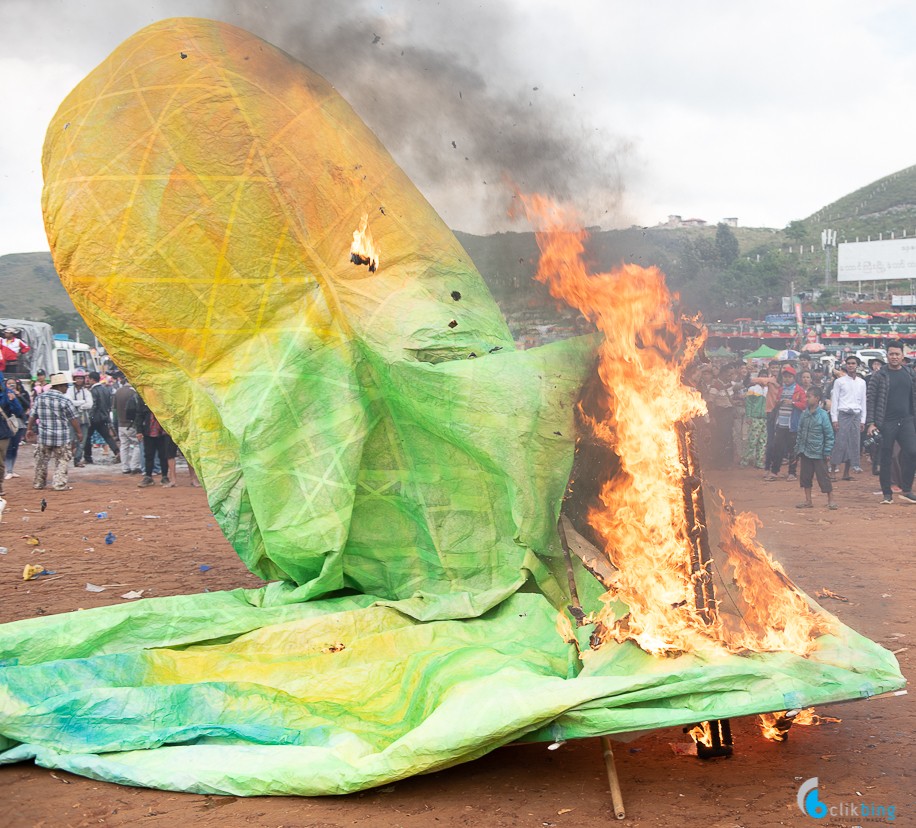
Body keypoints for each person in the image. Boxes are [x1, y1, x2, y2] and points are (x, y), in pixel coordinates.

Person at [865, 340, 916, 505]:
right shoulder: (879, 375)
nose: (894, 357)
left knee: (912, 452)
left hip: (907, 420)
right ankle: (887, 493)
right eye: (891, 354)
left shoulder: (909, 373)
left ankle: (907, 489)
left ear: (902, 355)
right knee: (886, 457)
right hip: (886, 422)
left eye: (897, 354)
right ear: (887, 355)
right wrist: (871, 423)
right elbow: (871, 400)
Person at [25, 372, 83, 491]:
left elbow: (33, 415)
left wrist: (29, 429)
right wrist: (79, 432)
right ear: (60, 386)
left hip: (44, 435)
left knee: (41, 460)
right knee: (62, 460)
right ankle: (59, 484)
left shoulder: (40, 398)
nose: (67, 388)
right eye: (66, 385)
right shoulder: (65, 400)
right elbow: (73, 418)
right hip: (61, 436)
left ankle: (39, 483)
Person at [794, 386, 836, 509]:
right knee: (805, 477)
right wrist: (798, 449)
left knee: (823, 477)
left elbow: (829, 435)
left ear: (817, 398)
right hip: (805, 451)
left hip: (819, 452)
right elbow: (800, 432)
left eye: (809, 396)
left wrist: (827, 451)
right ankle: (808, 501)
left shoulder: (823, 415)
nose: (807, 399)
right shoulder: (804, 414)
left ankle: (831, 500)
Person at [763, 365, 805, 481]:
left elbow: (804, 405)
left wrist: (793, 403)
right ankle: (774, 471)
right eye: (785, 377)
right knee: (778, 448)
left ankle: (792, 472)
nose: (786, 379)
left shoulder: (799, 390)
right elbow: (776, 402)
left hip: (793, 425)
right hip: (781, 423)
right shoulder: (781, 389)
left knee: (792, 450)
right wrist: (779, 403)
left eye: (789, 377)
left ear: (793, 377)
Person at [829, 355, 866, 481]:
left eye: (853, 363)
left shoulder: (862, 382)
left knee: (854, 444)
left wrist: (863, 420)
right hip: (843, 415)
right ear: (845, 365)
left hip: (856, 415)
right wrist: (834, 419)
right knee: (840, 443)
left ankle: (846, 473)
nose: (850, 365)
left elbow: (863, 403)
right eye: (848, 363)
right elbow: (835, 401)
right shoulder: (839, 382)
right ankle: (833, 471)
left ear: (857, 365)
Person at [83, 371, 120, 464]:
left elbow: (93, 405)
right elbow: (109, 404)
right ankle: (117, 452)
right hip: (104, 417)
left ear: (92, 379)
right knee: (107, 436)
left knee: (87, 437)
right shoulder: (106, 389)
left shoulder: (93, 391)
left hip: (94, 418)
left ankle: (88, 458)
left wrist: (90, 417)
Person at [135, 395, 171, 487]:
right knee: (148, 455)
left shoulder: (164, 398)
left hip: (162, 433)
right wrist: (139, 431)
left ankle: (164, 476)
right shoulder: (144, 398)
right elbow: (139, 415)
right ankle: (148, 476)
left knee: (163, 455)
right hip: (148, 432)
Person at [0, 372, 26, 494]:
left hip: (2, 432)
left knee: (0, 461)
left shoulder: (6, 394)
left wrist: (13, 400)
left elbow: (18, 411)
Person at [114, 376, 143, 474]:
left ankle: (125, 467)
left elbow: (114, 409)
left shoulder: (118, 391)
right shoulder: (134, 393)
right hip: (131, 424)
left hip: (120, 423)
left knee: (124, 446)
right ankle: (135, 466)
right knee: (137, 445)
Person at [65, 368, 93, 466]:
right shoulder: (69, 390)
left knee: (82, 440)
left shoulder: (86, 391)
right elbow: (69, 402)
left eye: (81, 378)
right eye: (77, 378)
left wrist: (79, 405)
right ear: (74, 379)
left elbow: (90, 404)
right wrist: (82, 403)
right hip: (72, 419)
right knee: (70, 438)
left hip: (84, 419)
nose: (79, 380)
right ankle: (65, 458)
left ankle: (77, 459)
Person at [4, 377, 30, 479]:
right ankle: (8, 470)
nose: (11, 385)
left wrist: (18, 396)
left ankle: (12, 469)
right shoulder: (4, 396)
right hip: (8, 422)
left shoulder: (22, 393)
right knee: (9, 447)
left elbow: (28, 405)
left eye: (13, 383)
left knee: (15, 446)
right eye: (9, 384)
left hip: (19, 422)